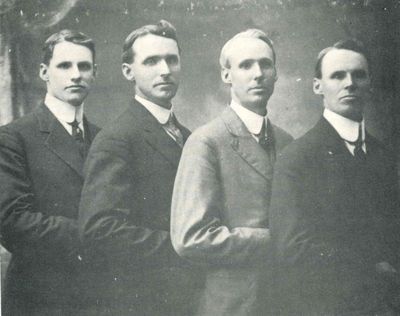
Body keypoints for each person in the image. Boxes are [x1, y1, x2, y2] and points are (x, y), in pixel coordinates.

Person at [78, 20, 201, 315]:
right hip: (143, 300)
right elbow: (99, 230)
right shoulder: (117, 138)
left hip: (190, 297)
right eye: (151, 61)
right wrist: (185, 248)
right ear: (128, 71)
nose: (165, 70)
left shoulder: (190, 136)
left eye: (172, 59)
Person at [270, 39, 400, 315]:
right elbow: (293, 249)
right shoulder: (298, 157)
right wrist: (371, 267)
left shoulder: (385, 156)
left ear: (370, 83)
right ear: (317, 85)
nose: (350, 83)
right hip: (328, 305)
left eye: (359, 75)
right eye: (338, 75)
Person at [171, 29, 293, 316]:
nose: (258, 73)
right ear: (227, 76)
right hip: (234, 305)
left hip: (287, 299)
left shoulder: (288, 142)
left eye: (266, 64)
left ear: (276, 74)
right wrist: (272, 239)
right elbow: (191, 237)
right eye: (245, 65)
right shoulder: (206, 141)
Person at [0, 29, 99, 315]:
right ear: (44, 72)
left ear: (95, 73)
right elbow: (12, 221)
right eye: (64, 65)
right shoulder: (13, 137)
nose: (76, 74)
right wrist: (97, 235)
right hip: (39, 296)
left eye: (84, 66)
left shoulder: (105, 139)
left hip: (99, 296)